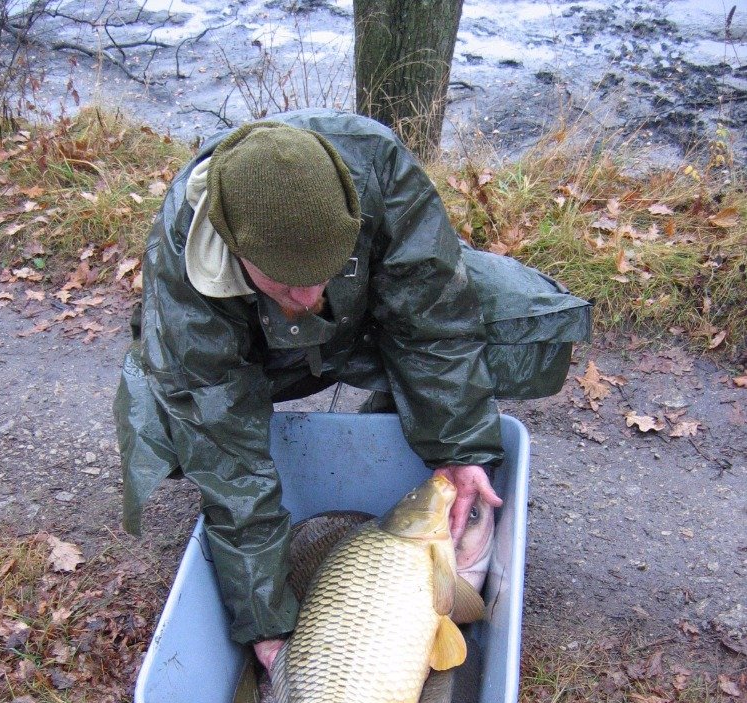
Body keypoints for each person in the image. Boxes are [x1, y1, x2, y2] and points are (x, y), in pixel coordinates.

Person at [115, 109, 590, 672]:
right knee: (167, 422)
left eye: (324, 270)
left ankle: (405, 423)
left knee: (515, 320)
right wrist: (266, 625)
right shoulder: (185, 255)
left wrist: (460, 450)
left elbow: (432, 319)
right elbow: (223, 441)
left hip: (362, 318)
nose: (309, 291)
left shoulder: (379, 167)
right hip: (262, 349)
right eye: (289, 281)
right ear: (237, 251)